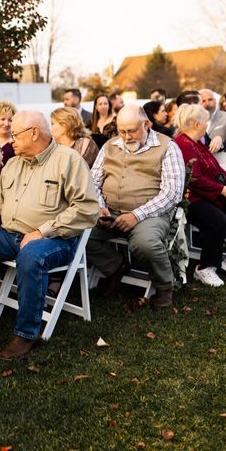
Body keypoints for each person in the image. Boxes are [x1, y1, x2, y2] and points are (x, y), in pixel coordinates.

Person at [0, 110, 99, 358]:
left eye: (15, 134)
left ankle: (27, 334)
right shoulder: (13, 164)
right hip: (9, 235)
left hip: (54, 240)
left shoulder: (68, 160)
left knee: (30, 255)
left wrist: (41, 231)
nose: (10, 140)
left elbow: (86, 210)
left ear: (34, 133)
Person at [86, 105, 185, 308]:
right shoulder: (110, 145)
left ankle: (165, 286)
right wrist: (100, 207)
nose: (126, 137)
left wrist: (136, 216)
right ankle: (115, 266)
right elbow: (93, 182)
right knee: (77, 233)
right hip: (109, 211)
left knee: (145, 244)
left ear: (146, 124)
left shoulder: (168, 147)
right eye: (122, 131)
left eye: (132, 131)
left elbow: (172, 193)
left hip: (150, 213)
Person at [173, 104, 226, 287]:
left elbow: (212, 163)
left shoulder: (197, 141)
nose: (207, 125)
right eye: (206, 121)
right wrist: (223, 190)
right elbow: (194, 179)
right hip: (191, 199)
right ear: (196, 124)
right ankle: (205, 268)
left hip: (208, 192)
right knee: (218, 222)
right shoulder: (183, 143)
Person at [199, 88, 226, 153]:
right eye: (203, 101)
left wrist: (220, 140)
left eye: (210, 99)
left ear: (215, 100)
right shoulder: (196, 121)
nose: (207, 103)